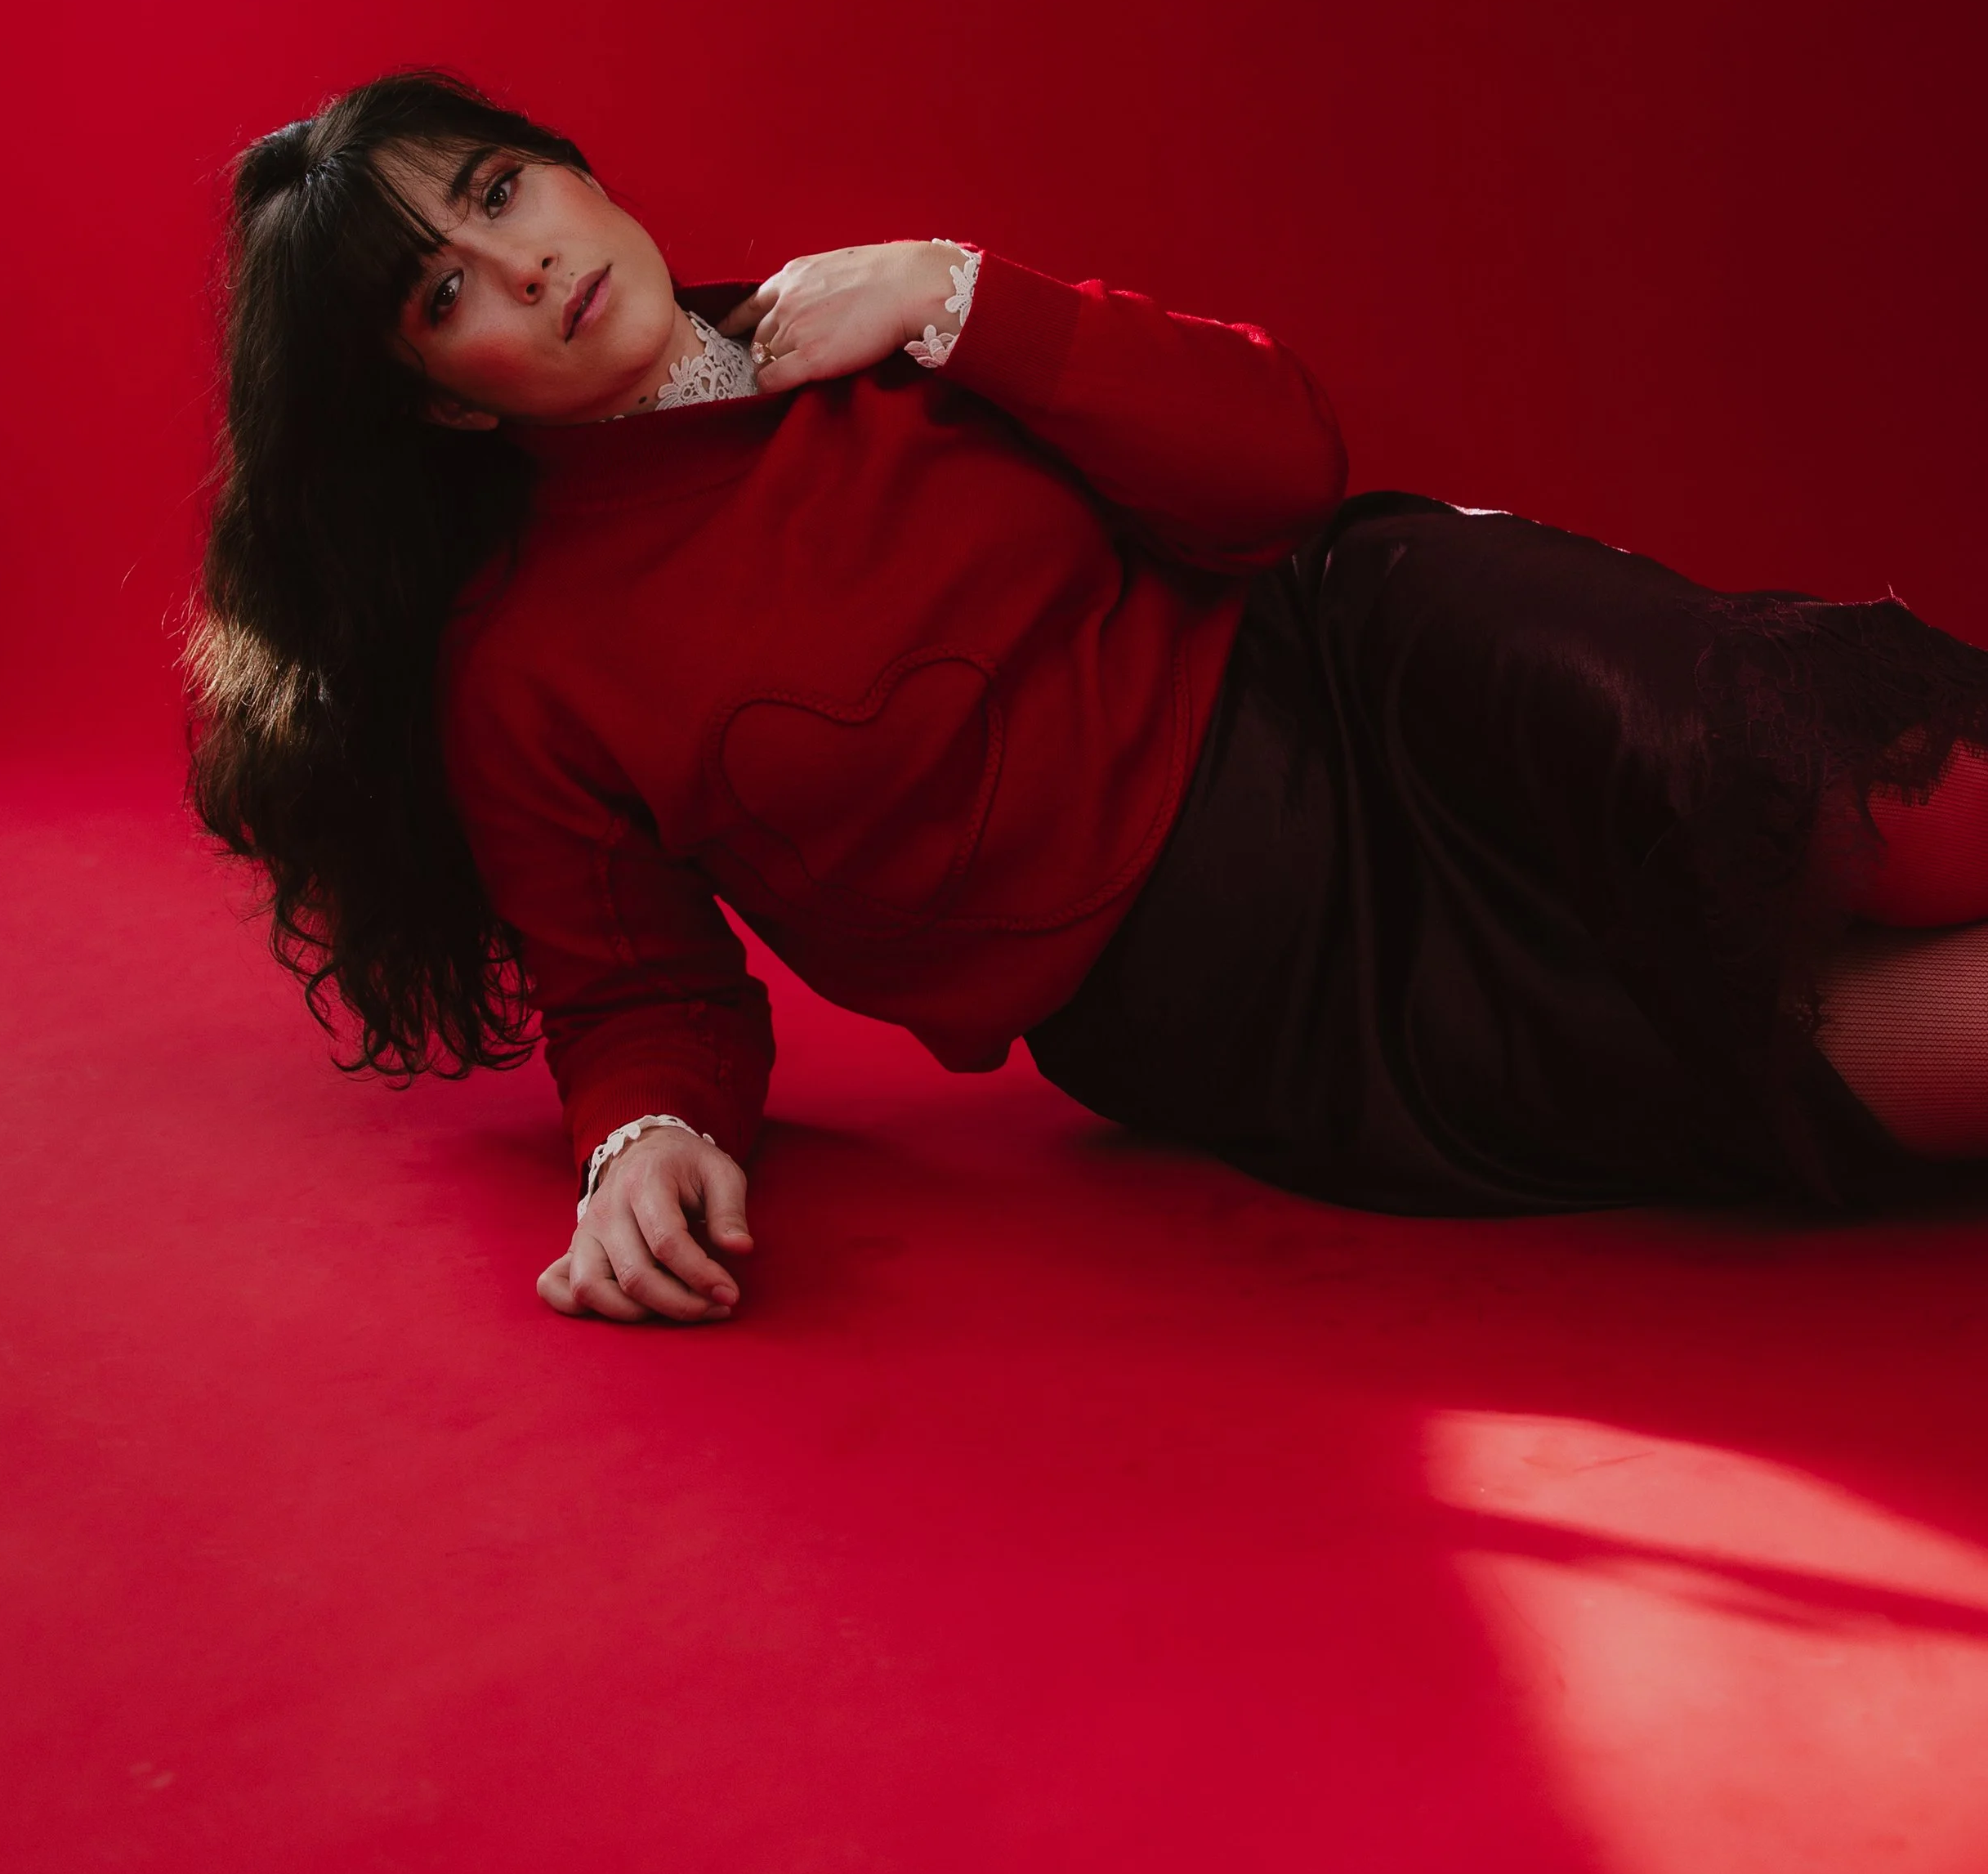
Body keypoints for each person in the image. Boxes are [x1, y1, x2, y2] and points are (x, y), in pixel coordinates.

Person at [189, 70, 1988, 1326]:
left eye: (504, 191)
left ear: (568, 166)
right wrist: (638, 1152)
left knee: (1803, 773)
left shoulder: (886, 326)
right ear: (441, 401)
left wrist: (961, 292)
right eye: (446, 291)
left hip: (1369, 665)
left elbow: (1281, 473)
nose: (525, 266)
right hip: (1248, 999)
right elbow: (643, 991)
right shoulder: (525, 672)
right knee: (1849, 1057)